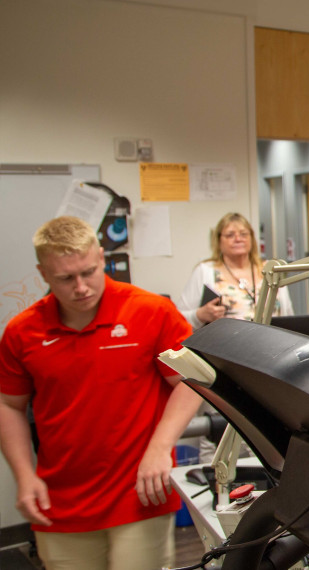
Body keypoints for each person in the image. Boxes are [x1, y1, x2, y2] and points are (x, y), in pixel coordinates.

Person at [0, 216, 203, 570]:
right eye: (66, 278)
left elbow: (192, 381)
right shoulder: (22, 332)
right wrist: (24, 475)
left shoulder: (150, 311)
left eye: (89, 272)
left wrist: (160, 447)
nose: (81, 287)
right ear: (43, 273)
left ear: (101, 259)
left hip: (140, 492)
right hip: (60, 500)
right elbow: (8, 405)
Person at [179, 212, 293, 328]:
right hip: (225, 343)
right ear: (218, 241)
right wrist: (199, 315)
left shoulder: (270, 269)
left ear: (252, 239)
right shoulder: (205, 271)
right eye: (230, 235)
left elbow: (288, 314)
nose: (238, 239)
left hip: (272, 342)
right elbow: (179, 319)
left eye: (244, 234)